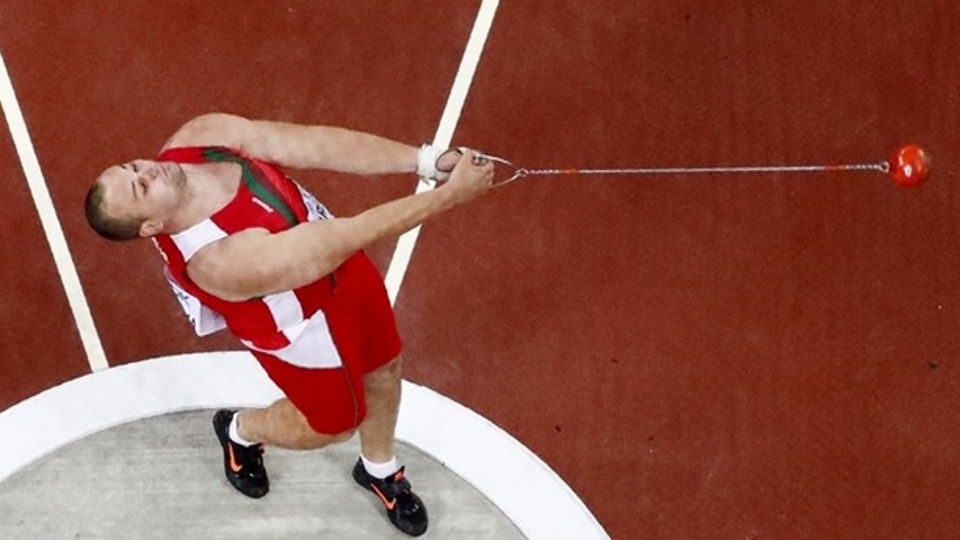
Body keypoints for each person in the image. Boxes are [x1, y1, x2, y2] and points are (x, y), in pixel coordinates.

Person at [84, 112, 495, 536]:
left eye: (132, 167)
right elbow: (347, 235)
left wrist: (426, 162)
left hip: (342, 276)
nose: (148, 169)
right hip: (303, 330)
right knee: (333, 425)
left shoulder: (198, 138)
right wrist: (448, 198)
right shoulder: (221, 262)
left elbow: (313, 144)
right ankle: (241, 431)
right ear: (151, 226)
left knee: (386, 369)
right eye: (141, 187)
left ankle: (379, 469)